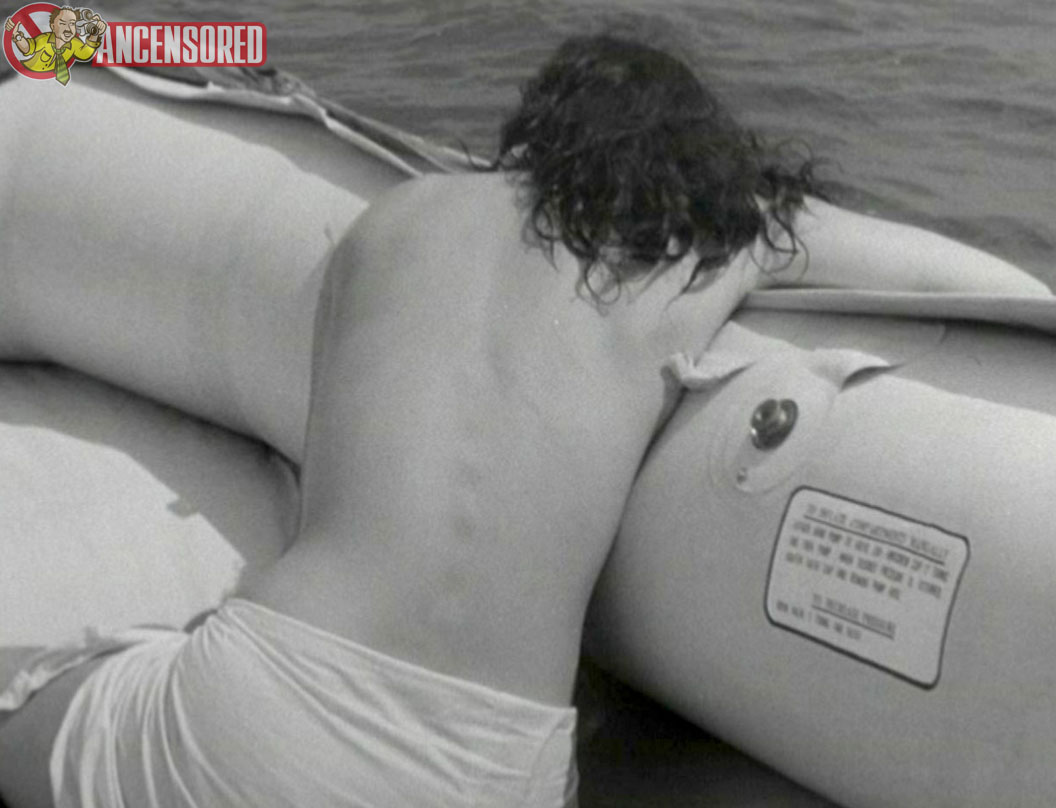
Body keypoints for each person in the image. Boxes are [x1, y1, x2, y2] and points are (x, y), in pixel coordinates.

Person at [0, 34, 1048, 808]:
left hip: (282, 708)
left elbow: (337, 447)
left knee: (26, 695)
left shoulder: (405, 217)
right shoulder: (696, 272)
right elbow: (946, 276)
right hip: (504, 773)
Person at [5, 8, 107, 86]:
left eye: (72, 24)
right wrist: (17, 36)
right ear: (53, 27)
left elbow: (85, 54)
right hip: (27, 75)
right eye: (62, 24)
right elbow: (28, 48)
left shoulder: (74, 43)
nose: (68, 29)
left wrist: (95, 34)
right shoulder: (44, 39)